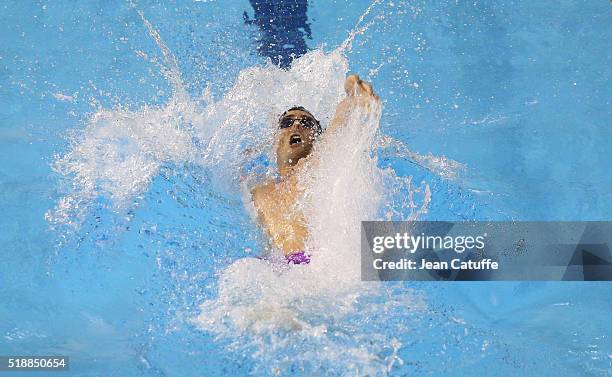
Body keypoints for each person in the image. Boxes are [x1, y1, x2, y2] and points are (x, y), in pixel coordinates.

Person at [251, 74, 379, 264]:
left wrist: (353, 93)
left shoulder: (315, 168)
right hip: (270, 265)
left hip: (310, 265)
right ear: (275, 137)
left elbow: (340, 119)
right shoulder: (257, 184)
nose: (296, 125)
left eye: (306, 123)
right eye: (287, 122)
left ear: (317, 139)